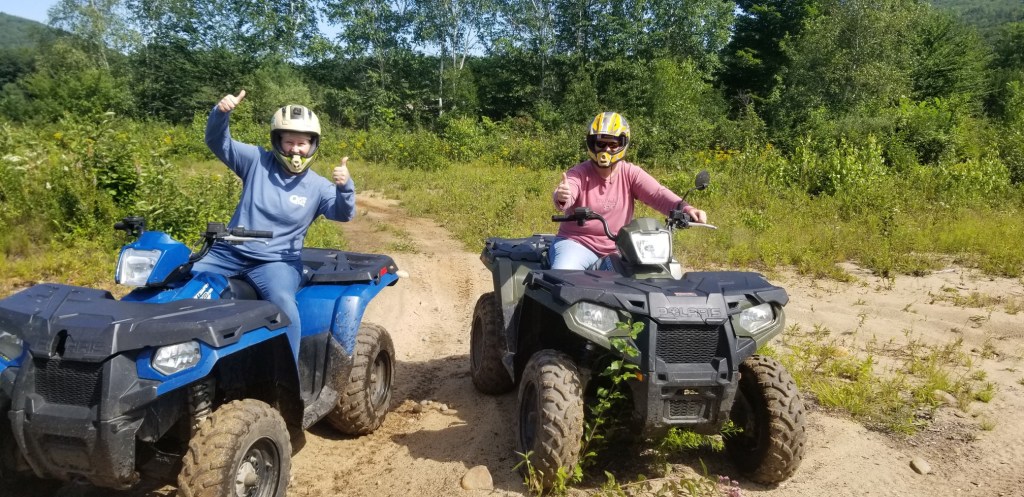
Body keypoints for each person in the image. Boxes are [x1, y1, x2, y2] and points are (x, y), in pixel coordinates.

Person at [193, 89, 355, 361]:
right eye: (289, 141)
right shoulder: (256, 161)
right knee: (182, 284)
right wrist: (220, 114)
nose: (295, 150)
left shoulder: (318, 186)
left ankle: (287, 376)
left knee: (283, 305)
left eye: (302, 143)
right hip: (227, 253)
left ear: (313, 145)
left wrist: (345, 188)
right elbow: (218, 142)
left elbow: (342, 214)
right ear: (277, 141)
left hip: (275, 263)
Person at [549, 111, 707, 270]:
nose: (606, 150)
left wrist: (686, 208)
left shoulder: (630, 173)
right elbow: (568, 190)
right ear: (592, 144)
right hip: (577, 243)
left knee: (650, 275)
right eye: (601, 144)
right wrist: (562, 196)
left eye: (613, 144)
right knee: (564, 275)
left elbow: (658, 194)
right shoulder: (579, 173)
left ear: (622, 144)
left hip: (618, 246)